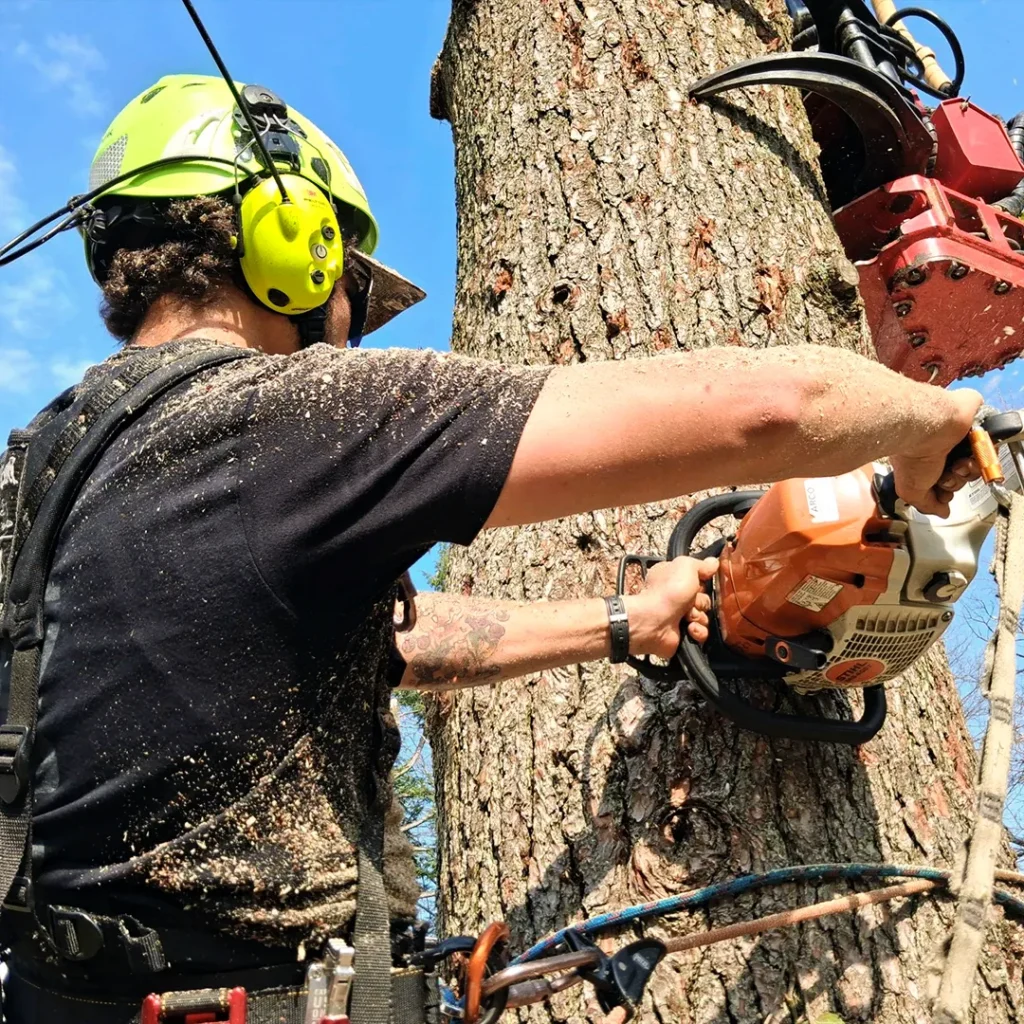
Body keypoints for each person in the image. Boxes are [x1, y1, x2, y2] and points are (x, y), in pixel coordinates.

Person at [0, 74, 980, 1023]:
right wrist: (931, 420)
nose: (346, 328)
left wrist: (618, 621)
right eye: (350, 288)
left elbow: (400, 639)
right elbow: (777, 406)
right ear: (291, 245)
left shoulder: (36, 473)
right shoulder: (290, 415)